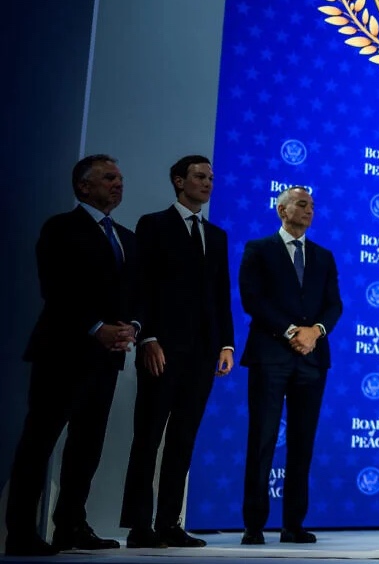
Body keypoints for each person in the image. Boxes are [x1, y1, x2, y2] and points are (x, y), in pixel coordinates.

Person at [5, 154, 139, 556]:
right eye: (109, 177)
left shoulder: (127, 238)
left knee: (87, 446)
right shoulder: (61, 229)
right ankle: (21, 533)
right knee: (39, 443)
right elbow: (57, 290)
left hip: (107, 360)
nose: (118, 183)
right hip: (62, 354)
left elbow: (137, 295)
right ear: (83, 186)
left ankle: (70, 526)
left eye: (120, 177)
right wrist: (96, 328)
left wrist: (132, 328)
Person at [119, 155, 235, 548]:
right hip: (162, 350)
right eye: (200, 177)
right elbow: (141, 286)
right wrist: (147, 337)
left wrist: (227, 344)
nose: (208, 183)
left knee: (183, 438)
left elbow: (221, 296)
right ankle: (140, 527)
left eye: (211, 178)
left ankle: (170, 523)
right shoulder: (153, 224)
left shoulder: (216, 235)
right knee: (148, 437)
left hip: (203, 355)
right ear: (178, 181)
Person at [237, 186, 341, 545]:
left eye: (312, 204)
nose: (309, 209)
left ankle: (293, 525)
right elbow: (253, 299)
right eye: (302, 203)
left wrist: (315, 332)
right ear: (282, 210)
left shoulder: (324, 256)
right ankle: (254, 525)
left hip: (312, 360)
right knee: (263, 440)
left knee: (303, 444)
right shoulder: (259, 249)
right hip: (270, 356)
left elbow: (334, 306)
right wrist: (291, 330)